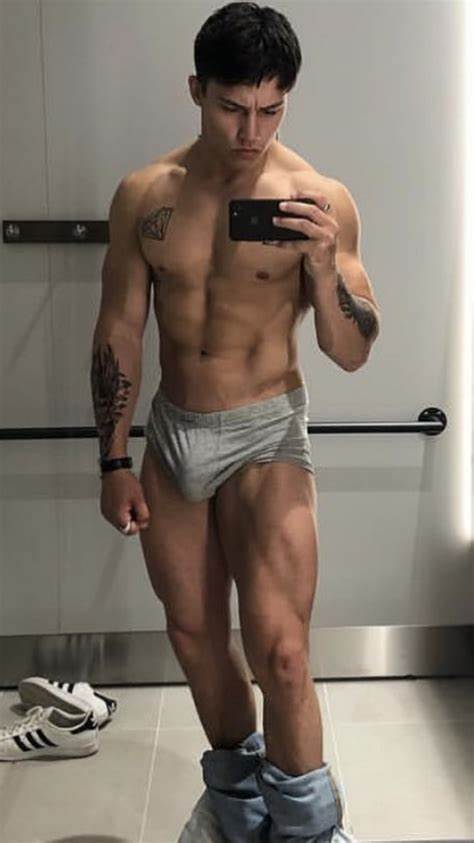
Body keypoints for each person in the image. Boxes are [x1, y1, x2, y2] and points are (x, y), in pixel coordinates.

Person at [90, 3, 380, 841]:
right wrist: (114, 460)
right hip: (174, 432)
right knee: (193, 634)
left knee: (281, 652)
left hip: (267, 433)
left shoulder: (318, 199)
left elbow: (353, 351)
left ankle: (309, 829)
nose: (251, 131)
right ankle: (241, 809)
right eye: (231, 108)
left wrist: (323, 268)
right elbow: (119, 328)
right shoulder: (146, 196)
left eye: (270, 109)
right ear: (197, 90)